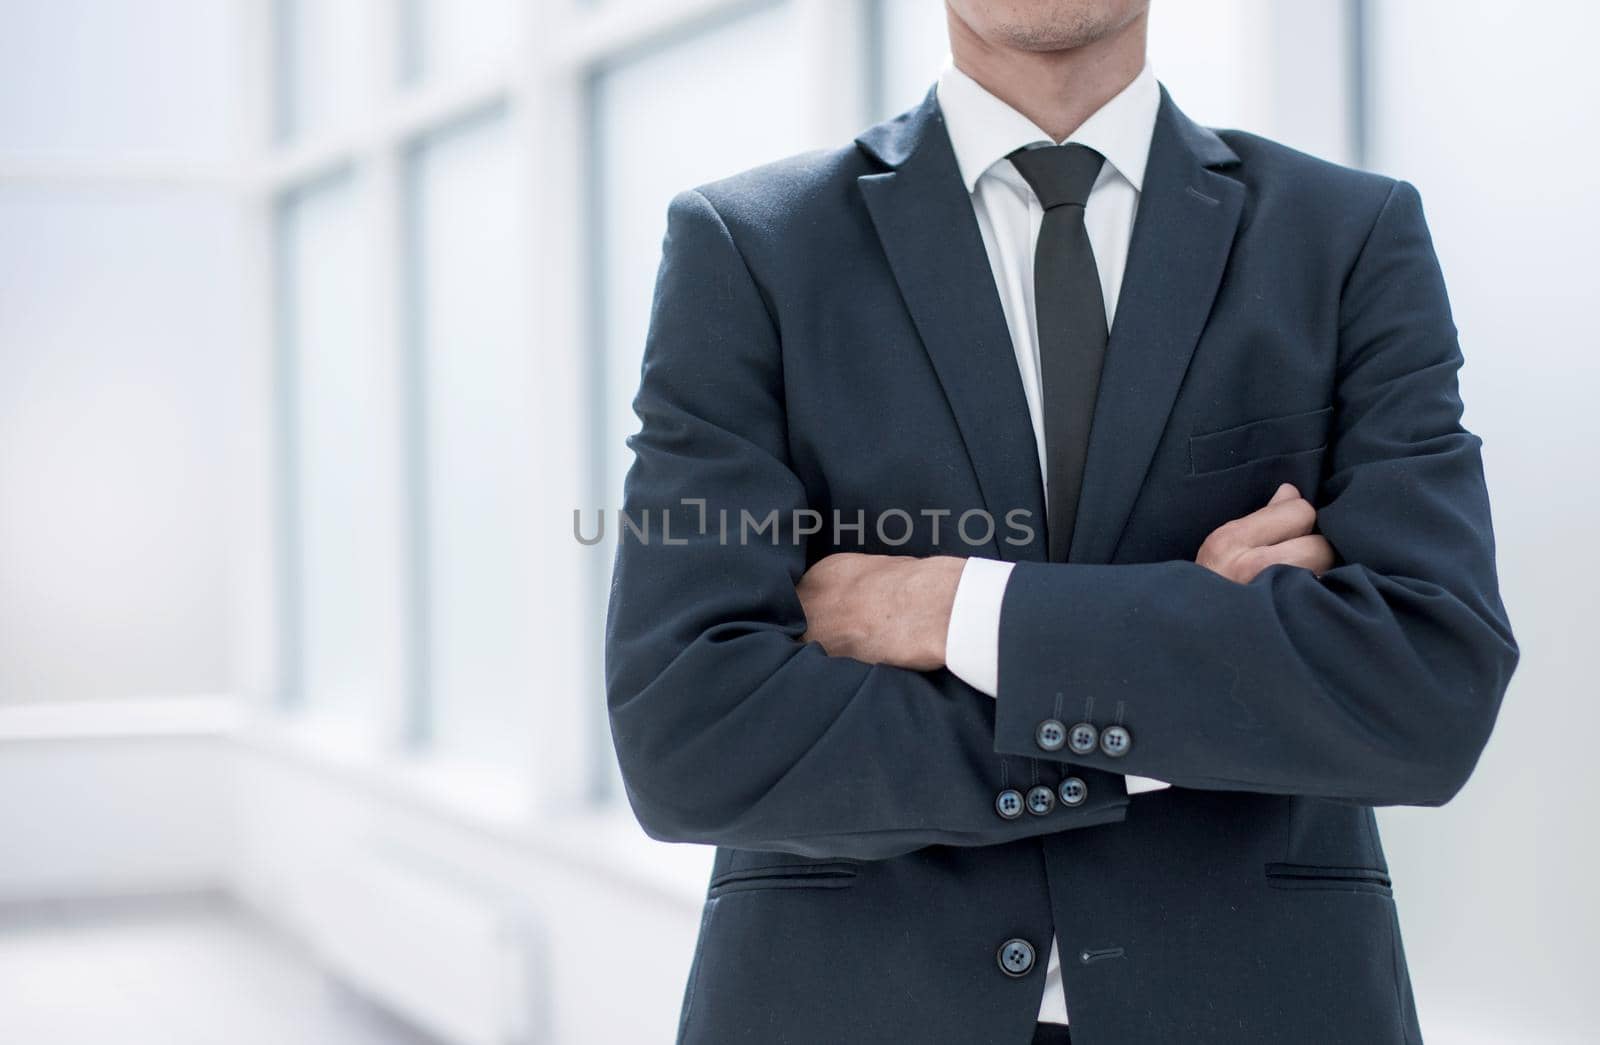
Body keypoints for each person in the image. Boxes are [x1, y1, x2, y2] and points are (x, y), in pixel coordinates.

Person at [605, 1, 1518, 1041]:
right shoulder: (752, 251)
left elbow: (1425, 689)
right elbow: (690, 737)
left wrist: (958, 608)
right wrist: (1187, 651)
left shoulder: (1346, 238)